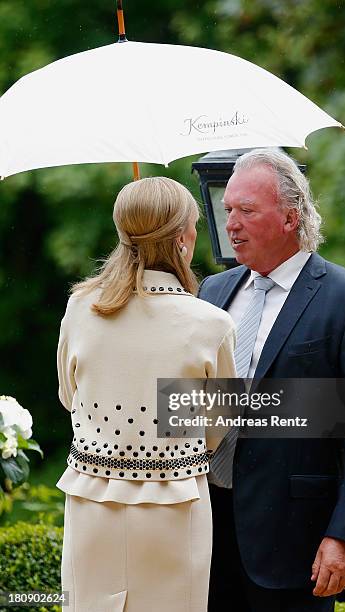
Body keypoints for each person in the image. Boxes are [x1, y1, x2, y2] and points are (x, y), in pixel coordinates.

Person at [198, 148, 345, 612]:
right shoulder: (211, 292)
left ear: (290, 217)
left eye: (246, 210)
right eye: (227, 209)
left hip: (295, 542)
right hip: (202, 532)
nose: (230, 224)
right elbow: (194, 406)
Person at [56, 177, 236, 612]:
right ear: (182, 238)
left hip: (91, 504)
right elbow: (218, 427)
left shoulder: (80, 308)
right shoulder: (211, 323)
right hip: (176, 506)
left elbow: (68, 395)